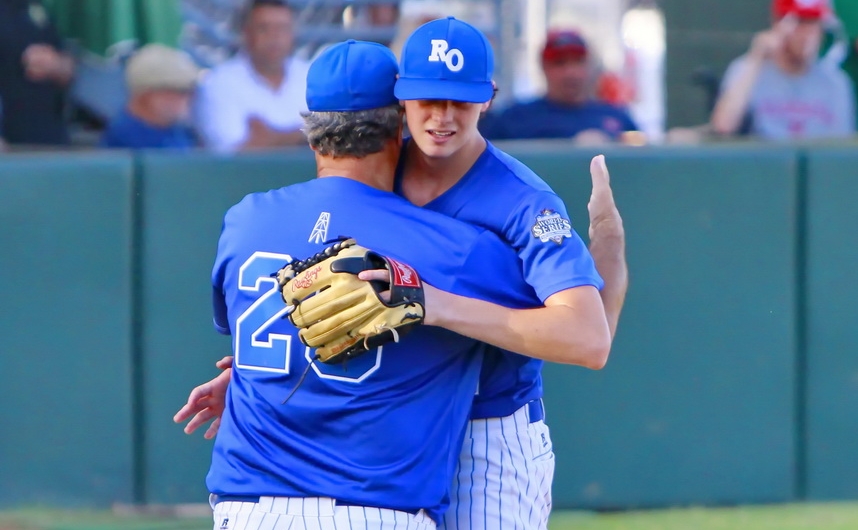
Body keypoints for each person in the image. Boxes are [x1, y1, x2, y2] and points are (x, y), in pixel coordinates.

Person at [177, 18, 629, 530]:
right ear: (399, 105)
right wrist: (266, 370)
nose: (441, 116)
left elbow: (589, 338)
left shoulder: (523, 202)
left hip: (489, 424)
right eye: (426, 99)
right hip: (396, 423)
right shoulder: (381, 163)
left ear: (488, 98)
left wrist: (432, 302)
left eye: (460, 100)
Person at [710, 0, 856, 140]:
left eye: (814, 23)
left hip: (817, 163)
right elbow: (724, 126)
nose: (808, 33)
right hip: (764, 161)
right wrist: (756, 58)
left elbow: (841, 148)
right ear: (778, 24)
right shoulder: (747, 69)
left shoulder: (835, 81)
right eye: (800, 22)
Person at [479, 29, 640, 144]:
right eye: (559, 63)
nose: (570, 72)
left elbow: (642, 161)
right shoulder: (514, 118)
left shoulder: (617, 117)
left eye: (578, 62)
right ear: (543, 67)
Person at [194, 0, 309, 152]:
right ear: (245, 33)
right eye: (263, 28)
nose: (274, 37)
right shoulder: (219, 83)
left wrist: (272, 138)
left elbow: (336, 140)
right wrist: (306, 134)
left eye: (282, 28)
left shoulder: (311, 75)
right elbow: (235, 153)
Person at [0, 0, 74, 145]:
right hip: (10, 140)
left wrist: (58, 65)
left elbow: (68, 67)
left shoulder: (36, 8)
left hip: (49, 135)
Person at [100, 44, 199, 149]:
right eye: (180, 90)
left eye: (191, 90)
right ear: (146, 95)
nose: (188, 97)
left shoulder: (179, 130)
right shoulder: (126, 136)